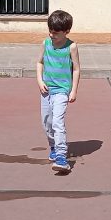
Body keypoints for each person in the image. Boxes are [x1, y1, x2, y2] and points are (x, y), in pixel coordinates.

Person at [36, 10, 81, 174]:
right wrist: (40, 80)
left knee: (57, 122)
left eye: (56, 32)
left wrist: (73, 90)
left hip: (62, 91)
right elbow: (39, 62)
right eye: (50, 31)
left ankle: (62, 157)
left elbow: (76, 69)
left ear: (66, 31)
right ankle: (53, 146)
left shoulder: (71, 47)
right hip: (46, 90)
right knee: (46, 122)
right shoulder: (46, 44)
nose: (51, 35)